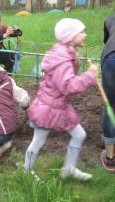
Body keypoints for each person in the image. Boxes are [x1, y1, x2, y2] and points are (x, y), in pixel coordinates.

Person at [24, 18, 98, 181]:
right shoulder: (62, 59)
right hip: (48, 108)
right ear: (70, 37)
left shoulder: (66, 52)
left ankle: (68, 169)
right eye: (82, 32)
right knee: (38, 141)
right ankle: (26, 173)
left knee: (79, 135)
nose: (85, 35)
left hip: (60, 105)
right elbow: (68, 86)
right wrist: (89, 76)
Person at [99, 13, 115, 171]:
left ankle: (110, 158)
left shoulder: (110, 18)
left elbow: (107, 42)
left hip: (112, 58)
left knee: (111, 106)